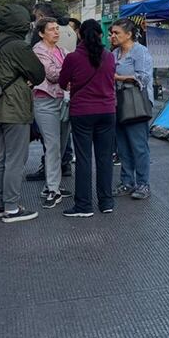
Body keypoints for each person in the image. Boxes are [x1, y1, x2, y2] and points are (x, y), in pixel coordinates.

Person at [0, 4, 45, 223]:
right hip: (14, 106)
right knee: (15, 159)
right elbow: (38, 73)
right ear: (20, 23)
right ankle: (11, 208)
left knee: (1, 158)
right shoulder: (18, 46)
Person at [59, 20, 117, 217]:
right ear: (100, 35)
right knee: (105, 158)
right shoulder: (109, 57)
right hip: (107, 111)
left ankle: (84, 205)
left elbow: (61, 82)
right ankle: (106, 202)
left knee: (84, 159)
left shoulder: (73, 57)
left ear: (80, 35)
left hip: (82, 112)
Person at [111, 18, 154, 200]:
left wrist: (117, 77)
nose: (112, 36)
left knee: (138, 146)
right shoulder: (113, 54)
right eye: (111, 33)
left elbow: (142, 78)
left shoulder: (140, 52)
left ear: (128, 34)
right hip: (118, 103)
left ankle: (143, 183)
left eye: (116, 33)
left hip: (136, 104)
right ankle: (127, 182)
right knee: (122, 146)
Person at [31, 17, 72, 209]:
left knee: (61, 144)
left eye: (57, 29)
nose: (56, 32)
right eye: (51, 29)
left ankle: (52, 184)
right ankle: (53, 188)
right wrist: (69, 71)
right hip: (45, 100)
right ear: (41, 33)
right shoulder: (38, 51)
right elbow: (53, 74)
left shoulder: (62, 51)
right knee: (53, 144)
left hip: (63, 100)